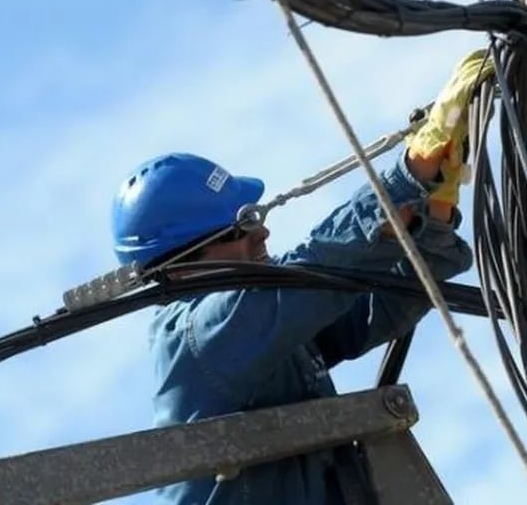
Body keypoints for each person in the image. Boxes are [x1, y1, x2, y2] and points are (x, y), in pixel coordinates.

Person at [110, 51, 495, 504]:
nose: (262, 232)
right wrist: (409, 173)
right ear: (181, 266)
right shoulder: (197, 338)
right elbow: (311, 276)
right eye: (240, 226)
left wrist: (432, 209)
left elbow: (368, 304)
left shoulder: (267, 323)